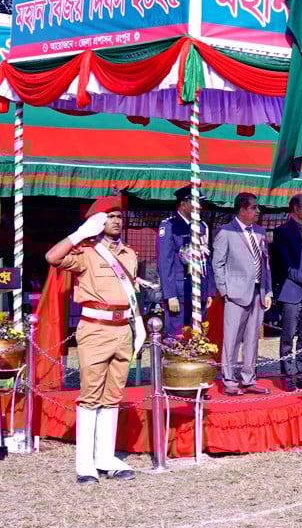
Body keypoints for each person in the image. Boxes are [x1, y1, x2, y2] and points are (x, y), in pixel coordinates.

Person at [46, 195, 148, 484]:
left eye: (118, 216)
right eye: (109, 216)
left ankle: (105, 457)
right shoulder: (87, 251)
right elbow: (52, 258)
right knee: (91, 394)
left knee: (114, 394)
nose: (116, 221)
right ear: (97, 221)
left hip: (122, 328)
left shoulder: (129, 253)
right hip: (95, 328)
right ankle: (85, 464)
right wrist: (80, 233)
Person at [213, 193, 271, 397]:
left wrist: (268, 290)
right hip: (235, 293)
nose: (257, 211)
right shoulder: (226, 232)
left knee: (252, 338)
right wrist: (224, 290)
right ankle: (229, 380)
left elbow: (266, 265)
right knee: (231, 339)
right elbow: (217, 263)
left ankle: (249, 379)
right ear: (242, 209)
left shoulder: (260, 232)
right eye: (254, 207)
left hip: (258, 293)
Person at [271, 194, 302, 392]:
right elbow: (285, 264)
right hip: (291, 290)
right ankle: (287, 374)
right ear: (295, 209)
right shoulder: (282, 231)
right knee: (289, 335)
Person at [156, 185, 215, 338]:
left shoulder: (202, 227)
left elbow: (206, 260)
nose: (200, 207)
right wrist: (170, 295)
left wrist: (209, 290)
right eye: (195, 202)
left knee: (198, 339)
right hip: (179, 292)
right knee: (177, 339)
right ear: (183, 204)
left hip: (198, 290)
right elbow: (165, 262)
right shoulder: (169, 226)